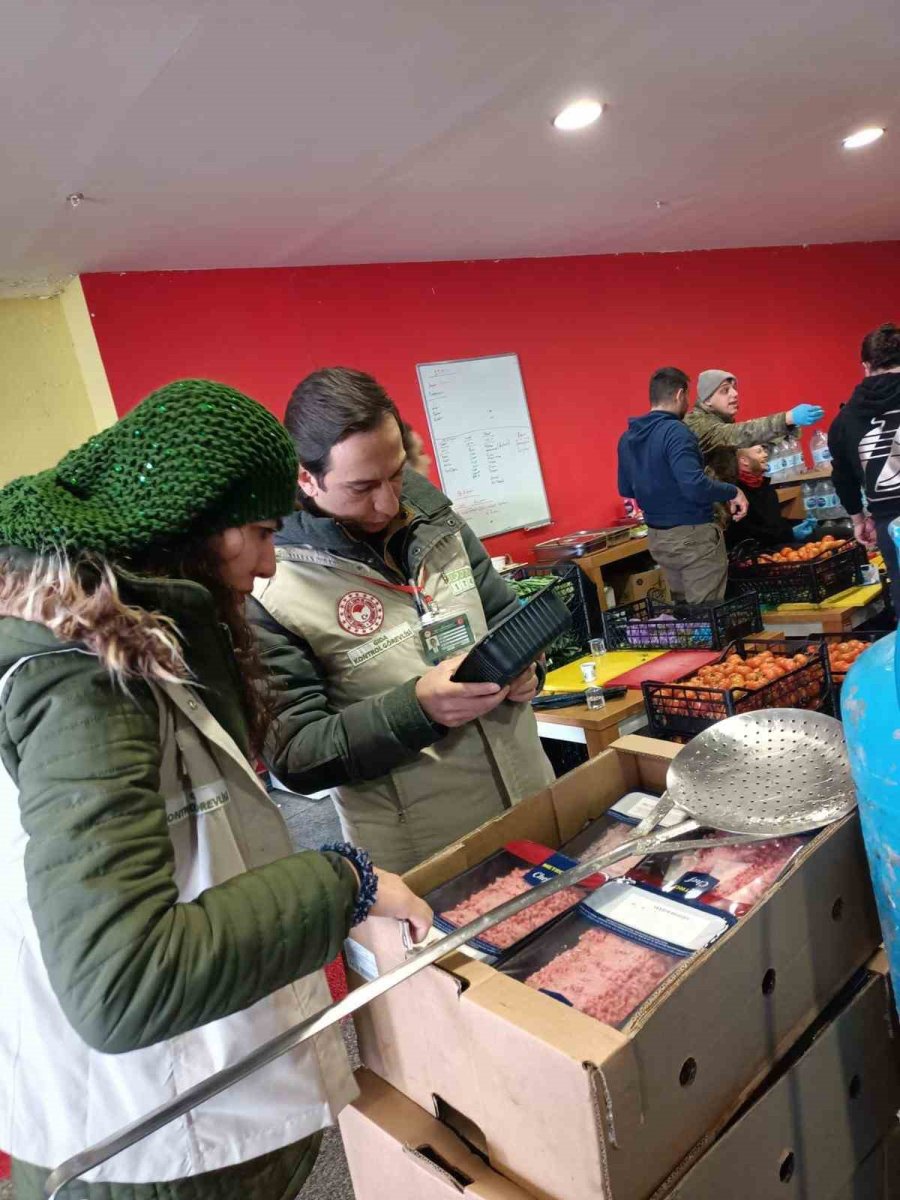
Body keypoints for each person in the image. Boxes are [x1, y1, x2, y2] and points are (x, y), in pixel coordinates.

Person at [0, 378, 432, 1200]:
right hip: (149, 1141)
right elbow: (123, 982)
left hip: (185, 1109)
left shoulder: (124, 644)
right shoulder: (81, 683)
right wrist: (343, 883)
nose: (268, 564)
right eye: (261, 533)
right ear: (192, 527)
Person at [248, 367, 553, 874]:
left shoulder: (437, 520)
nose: (389, 502)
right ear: (305, 477)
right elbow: (297, 756)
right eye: (363, 487)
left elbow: (503, 616)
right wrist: (418, 708)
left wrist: (529, 670)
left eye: (395, 473)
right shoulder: (269, 585)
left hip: (532, 800)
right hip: (424, 853)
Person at [617, 366, 748, 603]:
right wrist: (732, 491)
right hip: (692, 535)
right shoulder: (676, 432)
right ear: (679, 394)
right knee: (708, 612)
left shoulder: (628, 437)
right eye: (687, 396)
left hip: (658, 538)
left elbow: (626, 489)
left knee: (684, 612)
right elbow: (694, 485)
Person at [828, 322, 900, 613]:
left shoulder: (845, 420)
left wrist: (859, 519)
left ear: (866, 366)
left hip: (890, 526)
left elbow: (842, 477)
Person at [685, 369, 825, 460]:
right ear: (707, 400)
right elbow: (739, 433)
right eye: (725, 390)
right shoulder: (697, 424)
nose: (735, 393)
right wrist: (787, 418)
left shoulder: (722, 421)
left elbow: (750, 444)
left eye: (734, 388)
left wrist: (788, 428)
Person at [723, 444, 817, 551]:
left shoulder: (765, 486)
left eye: (764, 451)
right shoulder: (735, 494)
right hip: (755, 550)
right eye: (759, 452)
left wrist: (800, 523)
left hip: (777, 541)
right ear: (744, 461)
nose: (765, 455)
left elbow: (773, 521)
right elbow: (750, 533)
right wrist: (790, 533)